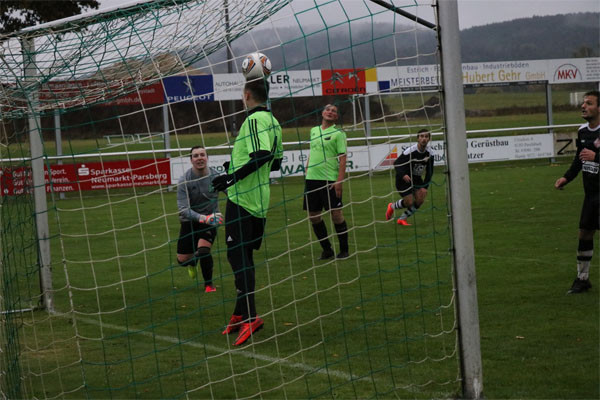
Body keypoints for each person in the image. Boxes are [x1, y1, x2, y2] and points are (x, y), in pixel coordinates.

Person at [211, 80, 283, 346]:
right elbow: (276, 162)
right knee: (242, 257)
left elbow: (262, 155)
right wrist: (235, 165)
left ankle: (251, 317)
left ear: (247, 95)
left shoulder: (253, 121)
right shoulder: (274, 122)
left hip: (243, 200)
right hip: (260, 201)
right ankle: (240, 312)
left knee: (237, 257)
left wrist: (231, 179)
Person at [554, 90, 599, 294]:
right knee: (584, 233)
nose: (583, 106)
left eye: (589, 103)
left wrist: (596, 157)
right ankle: (582, 279)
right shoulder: (582, 132)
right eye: (583, 103)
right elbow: (579, 160)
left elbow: (591, 157)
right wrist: (566, 177)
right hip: (591, 196)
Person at [303, 103, 350, 260]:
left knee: (336, 215)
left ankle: (344, 250)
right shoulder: (314, 130)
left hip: (329, 179)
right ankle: (327, 250)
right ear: (322, 112)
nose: (330, 112)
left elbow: (342, 159)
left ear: (336, 117)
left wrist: (339, 181)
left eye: (334, 111)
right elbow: (313, 150)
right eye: (328, 109)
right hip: (311, 179)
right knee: (313, 216)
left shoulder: (338, 134)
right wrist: (307, 167)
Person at [176, 146, 223, 292]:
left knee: (203, 250)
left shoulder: (217, 177)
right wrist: (203, 218)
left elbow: (233, 195)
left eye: (202, 155)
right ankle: (192, 262)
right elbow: (183, 209)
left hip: (211, 220)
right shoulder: (184, 180)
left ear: (207, 158)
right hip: (190, 221)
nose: (199, 158)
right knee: (182, 261)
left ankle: (208, 284)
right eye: (195, 156)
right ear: (191, 160)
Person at [385, 129, 434, 226]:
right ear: (418, 139)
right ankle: (392, 206)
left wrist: (425, 186)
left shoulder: (430, 153)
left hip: (416, 179)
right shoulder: (410, 151)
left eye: (426, 136)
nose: (424, 139)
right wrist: (403, 174)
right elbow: (397, 163)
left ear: (429, 139)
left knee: (420, 199)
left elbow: (430, 171)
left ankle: (402, 219)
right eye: (421, 136)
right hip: (403, 180)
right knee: (409, 202)